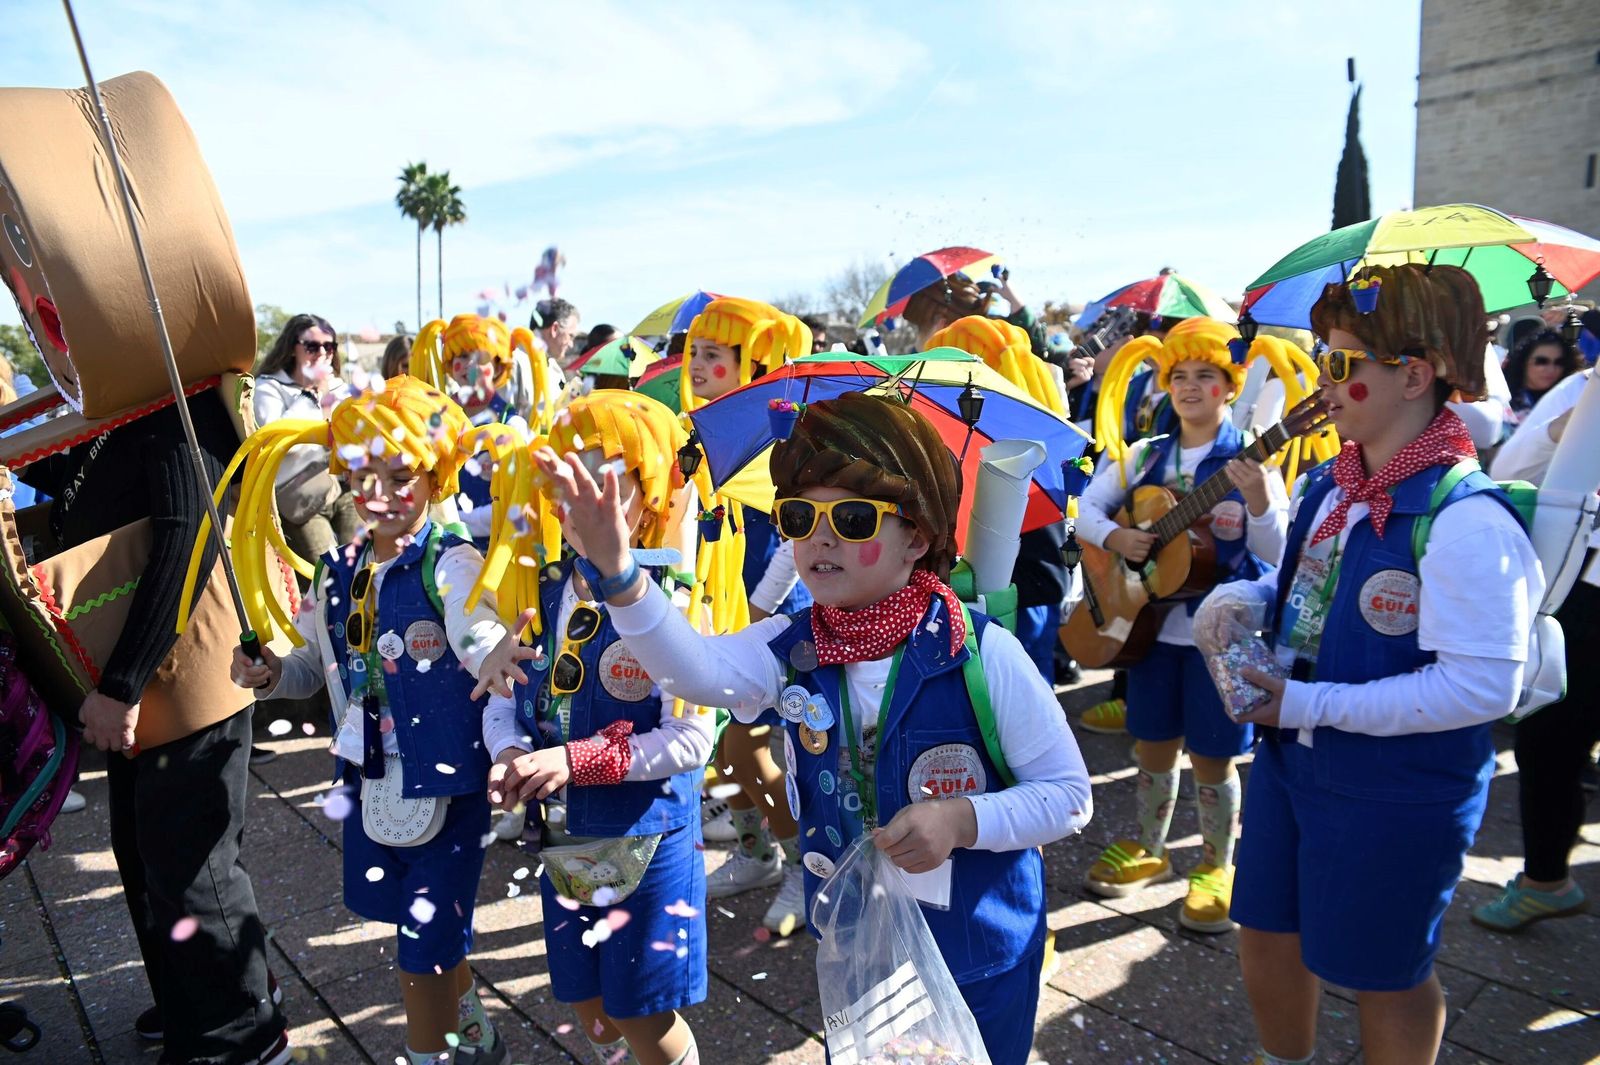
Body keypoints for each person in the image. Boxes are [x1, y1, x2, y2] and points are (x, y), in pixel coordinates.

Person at [539, 391, 1094, 1065]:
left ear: (916, 536)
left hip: (976, 954)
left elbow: (1068, 794)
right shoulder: (790, 644)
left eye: (854, 518)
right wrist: (622, 578)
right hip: (861, 950)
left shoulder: (978, 652)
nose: (820, 537)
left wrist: (961, 819)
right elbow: (695, 671)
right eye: (800, 517)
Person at [1213, 264, 1542, 1065]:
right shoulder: (1333, 484)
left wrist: (1305, 705)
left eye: (1339, 363)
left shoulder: (1466, 519)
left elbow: (1482, 684)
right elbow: (1317, 593)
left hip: (1399, 791)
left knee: (1384, 975)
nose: (1321, 383)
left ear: (1415, 376)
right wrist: (1252, 600)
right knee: (1267, 930)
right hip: (1296, 766)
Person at [228, 375, 528, 1065]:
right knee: (424, 937)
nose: (384, 494)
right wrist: (274, 675)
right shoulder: (335, 571)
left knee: (417, 956)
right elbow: (314, 664)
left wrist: (493, 650)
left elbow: (473, 627)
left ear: (434, 476)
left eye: (403, 476)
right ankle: (475, 1034)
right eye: (368, 475)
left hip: (448, 791)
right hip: (368, 784)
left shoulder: (450, 561)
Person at [18, 388, 291, 1065]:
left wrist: (121, 684)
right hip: (148, 673)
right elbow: (96, 487)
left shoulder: (174, 394)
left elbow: (186, 534)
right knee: (147, 853)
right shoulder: (117, 399)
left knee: (192, 859)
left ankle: (243, 1036)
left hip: (188, 667)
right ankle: (197, 1001)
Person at [485, 390, 716, 1065]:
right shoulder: (545, 589)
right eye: (570, 479)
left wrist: (577, 760)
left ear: (650, 496)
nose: (585, 502)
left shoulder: (673, 601)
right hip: (566, 835)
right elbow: (508, 692)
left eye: (608, 482)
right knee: (587, 1002)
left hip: (647, 837)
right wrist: (506, 748)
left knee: (638, 1011)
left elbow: (694, 738)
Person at [1075, 318, 1296, 934]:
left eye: (1206, 375)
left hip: (1223, 637)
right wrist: (1119, 535)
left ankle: (1216, 864)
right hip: (1148, 632)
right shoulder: (1145, 455)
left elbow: (1279, 550)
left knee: (1215, 757)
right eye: (1180, 377)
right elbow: (1086, 511)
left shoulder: (1252, 453)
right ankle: (1151, 846)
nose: (1192, 387)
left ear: (1229, 386)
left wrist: (1256, 502)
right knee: (1151, 745)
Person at [681, 298, 813, 934]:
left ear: (750, 364)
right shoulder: (698, 430)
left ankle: (808, 872)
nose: (700, 365)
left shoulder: (774, 434)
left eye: (716, 355)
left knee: (749, 753)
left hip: (778, 622)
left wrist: (755, 605)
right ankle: (761, 856)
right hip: (725, 618)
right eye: (696, 352)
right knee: (724, 760)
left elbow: (795, 538)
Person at [1470, 363, 1595, 932]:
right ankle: (1546, 879)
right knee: (1549, 738)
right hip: (1584, 592)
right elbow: (1511, 467)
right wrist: (1579, 422)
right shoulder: (1585, 386)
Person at [410, 314, 545, 549]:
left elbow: (518, 497)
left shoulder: (512, 424)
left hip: (493, 547)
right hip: (437, 545)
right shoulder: (434, 417)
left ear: (498, 365)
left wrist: (458, 520)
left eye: (480, 357)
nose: (471, 365)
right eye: (463, 356)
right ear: (450, 364)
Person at [253, 314, 361, 563]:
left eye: (329, 346)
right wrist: (312, 395)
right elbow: (277, 440)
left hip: (345, 490)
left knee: (361, 563)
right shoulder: (269, 387)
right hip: (299, 500)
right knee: (326, 572)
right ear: (293, 349)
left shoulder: (341, 389)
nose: (322, 353)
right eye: (312, 346)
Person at [1503, 329, 1581, 424]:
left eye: (1559, 362)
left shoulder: (1573, 399)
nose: (1551, 369)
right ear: (1523, 361)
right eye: (1541, 361)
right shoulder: (1503, 400)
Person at [535, 298, 583, 375]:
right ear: (555, 329)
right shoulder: (516, 362)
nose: (571, 345)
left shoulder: (553, 369)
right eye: (570, 336)